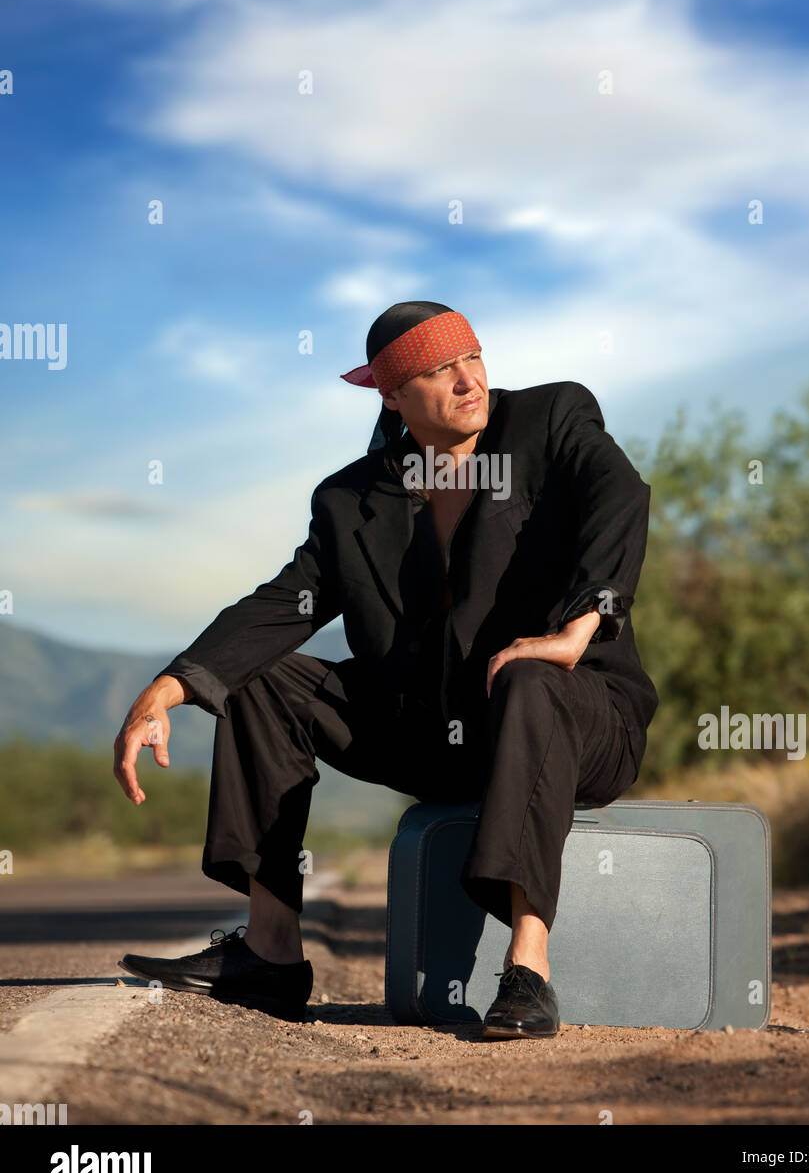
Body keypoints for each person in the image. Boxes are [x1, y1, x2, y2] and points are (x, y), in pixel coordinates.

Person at [113, 301, 658, 1038]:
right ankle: (271, 951)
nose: (468, 382)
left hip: (576, 719)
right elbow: (283, 605)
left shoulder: (552, 419)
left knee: (532, 678)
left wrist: (574, 630)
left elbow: (621, 496)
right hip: (433, 730)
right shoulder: (350, 500)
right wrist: (166, 691)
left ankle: (528, 971)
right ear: (393, 395)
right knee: (266, 679)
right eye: (438, 371)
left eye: (472, 359)